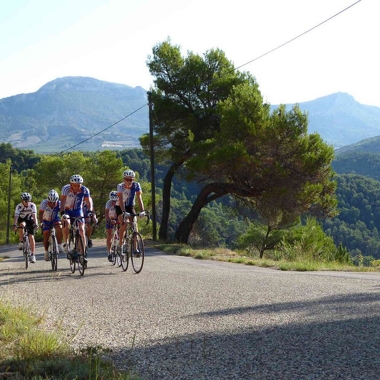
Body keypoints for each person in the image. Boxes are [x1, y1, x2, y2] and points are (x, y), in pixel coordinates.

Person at [60, 174, 93, 263]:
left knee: (82, 230)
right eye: (75, 185)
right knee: (66, 222)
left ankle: (82, 254)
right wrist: (62, 213)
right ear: (71, 184)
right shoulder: (65, 189)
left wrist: (90, 211)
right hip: (67, 210)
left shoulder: (84, 189)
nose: (77, 187)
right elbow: (62, 201)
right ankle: (66, 243)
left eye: (79, 185)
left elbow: (88, 201)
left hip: (77, 210)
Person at [116, 169, 145, 254]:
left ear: (134, 179)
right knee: (124, 224)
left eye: (131, 179)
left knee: (135, 225)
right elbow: (121, 200)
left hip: (130, 206)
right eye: (127, 179)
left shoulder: (136, 185)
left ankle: (135, 249)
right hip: (120, 206)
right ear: (123, 179)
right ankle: (120, 244)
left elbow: (139, 199)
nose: (129, 181)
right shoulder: (120, 186)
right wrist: (124, 212)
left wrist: (142, 211)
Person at [13, 192, 38, 263]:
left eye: (29, 201)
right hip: (22, 219)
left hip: (30, 219)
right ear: (22, 201)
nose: (27, 202)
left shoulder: (32, 205)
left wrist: (36, 224)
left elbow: (34, 216)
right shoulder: (19, 206)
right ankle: (21, 241)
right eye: (26, 201)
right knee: (21, 225)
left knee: (31, 237)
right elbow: (16, 216)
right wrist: (14, 224)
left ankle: (33, 255)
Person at [39, 189, 63, 261]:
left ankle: (59, 244)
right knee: (46, 235)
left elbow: (62, 212)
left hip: (55, 218)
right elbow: (40, 213)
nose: (52, 204)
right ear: (48, 200)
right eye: (50, 202)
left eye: (54, 202)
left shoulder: (59, 203)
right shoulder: (44, 203)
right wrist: (41, 222)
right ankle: (46, 252)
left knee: (59, 227)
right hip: (46, 220)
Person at [105, 190, 119, 262]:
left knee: (122, 230)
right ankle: (109, 252)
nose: (114, 202)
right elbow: (106, 214)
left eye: (115, 201)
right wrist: (110, 220)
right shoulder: (108, 203)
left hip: (117, 217)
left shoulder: (120, 202)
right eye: (112, 201)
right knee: (110, 235)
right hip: (110, 218)